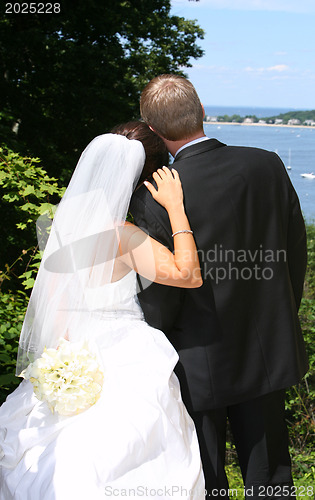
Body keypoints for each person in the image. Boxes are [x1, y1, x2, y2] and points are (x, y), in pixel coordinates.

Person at [130, 74, 308, 498]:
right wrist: (278, 315)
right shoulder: (267, 164)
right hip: (267, 349)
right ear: (203, 112)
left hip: (196, 361)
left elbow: (159, 295)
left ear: (155, 130)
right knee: (271, 480)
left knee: (205, 481)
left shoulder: (154, 193)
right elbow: (294, 251)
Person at [0, 133, 206, 500]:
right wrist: (175, 207)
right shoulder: (122, 236)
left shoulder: (62, 229)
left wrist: (61, 365)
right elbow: (188, 275)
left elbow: (56, 307)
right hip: (125, 349)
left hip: (74, 347)